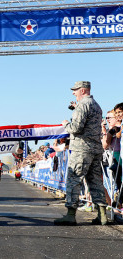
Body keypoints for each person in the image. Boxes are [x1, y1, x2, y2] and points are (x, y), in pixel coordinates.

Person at [54, 81, 108, 226]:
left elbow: (76, 128)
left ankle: (70, 215)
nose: (73, 93)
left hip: (81, 149)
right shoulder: (96, 105)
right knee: (96, 181)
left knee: (74, 180)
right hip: (95, 149)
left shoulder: (83, 105)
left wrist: (65, 124)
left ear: (83, 91)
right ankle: (102, 215)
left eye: (76, 90)